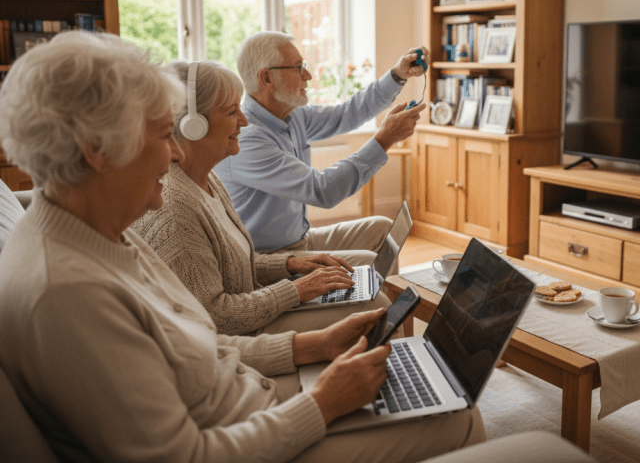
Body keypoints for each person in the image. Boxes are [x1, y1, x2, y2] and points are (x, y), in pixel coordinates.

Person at [0, 31, 484, 462]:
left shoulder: (102, 231)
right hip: (250, 430)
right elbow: (185, 452)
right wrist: (322, 403)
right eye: (164, 134)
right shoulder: (67, 292)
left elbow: (195, 344)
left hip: (251, 398)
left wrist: (313, 345)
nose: (174, 153)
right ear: (98, 149)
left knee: (410, 376)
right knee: (459, 418)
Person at [133, 60, 393, 336]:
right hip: (241, 334)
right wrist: (295, 289)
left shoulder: (206, 180)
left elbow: (234, 266)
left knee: (366, 280)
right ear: (192, 126)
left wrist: (289, 263)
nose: (244, 121)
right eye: (233, 111)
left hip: (255, 304)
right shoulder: (177, 210)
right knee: (375, 303)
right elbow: (216, 318)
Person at [215, 31, 427, 272]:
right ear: (267, 78)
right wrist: (385, 139)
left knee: (382, 228)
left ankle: (386, 305)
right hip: (272, 260)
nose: (308, 75)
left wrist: (398, 75)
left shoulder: (291, 116)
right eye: (297, 67)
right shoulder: (248, 138)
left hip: (301, 240)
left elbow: (346, 114)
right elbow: (322, 190)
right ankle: (377, 305)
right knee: (370, 263)